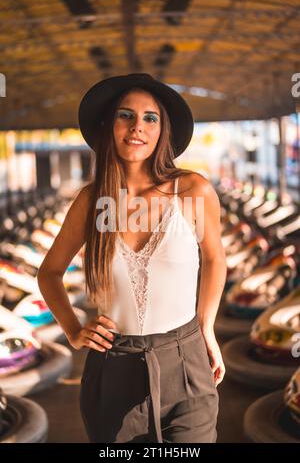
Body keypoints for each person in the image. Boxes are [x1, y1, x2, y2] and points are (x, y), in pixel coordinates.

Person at [37, 73, 227, 443]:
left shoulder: (192, 190)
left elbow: (216, 259)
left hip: (185, 358)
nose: (137, 127)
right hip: (113, 365)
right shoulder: (91, 202)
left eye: (150, 118)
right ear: (110, 125)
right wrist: (74, 331)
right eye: (126, 115)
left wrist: (207, 327)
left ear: (162, 130)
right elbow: (49, 273)